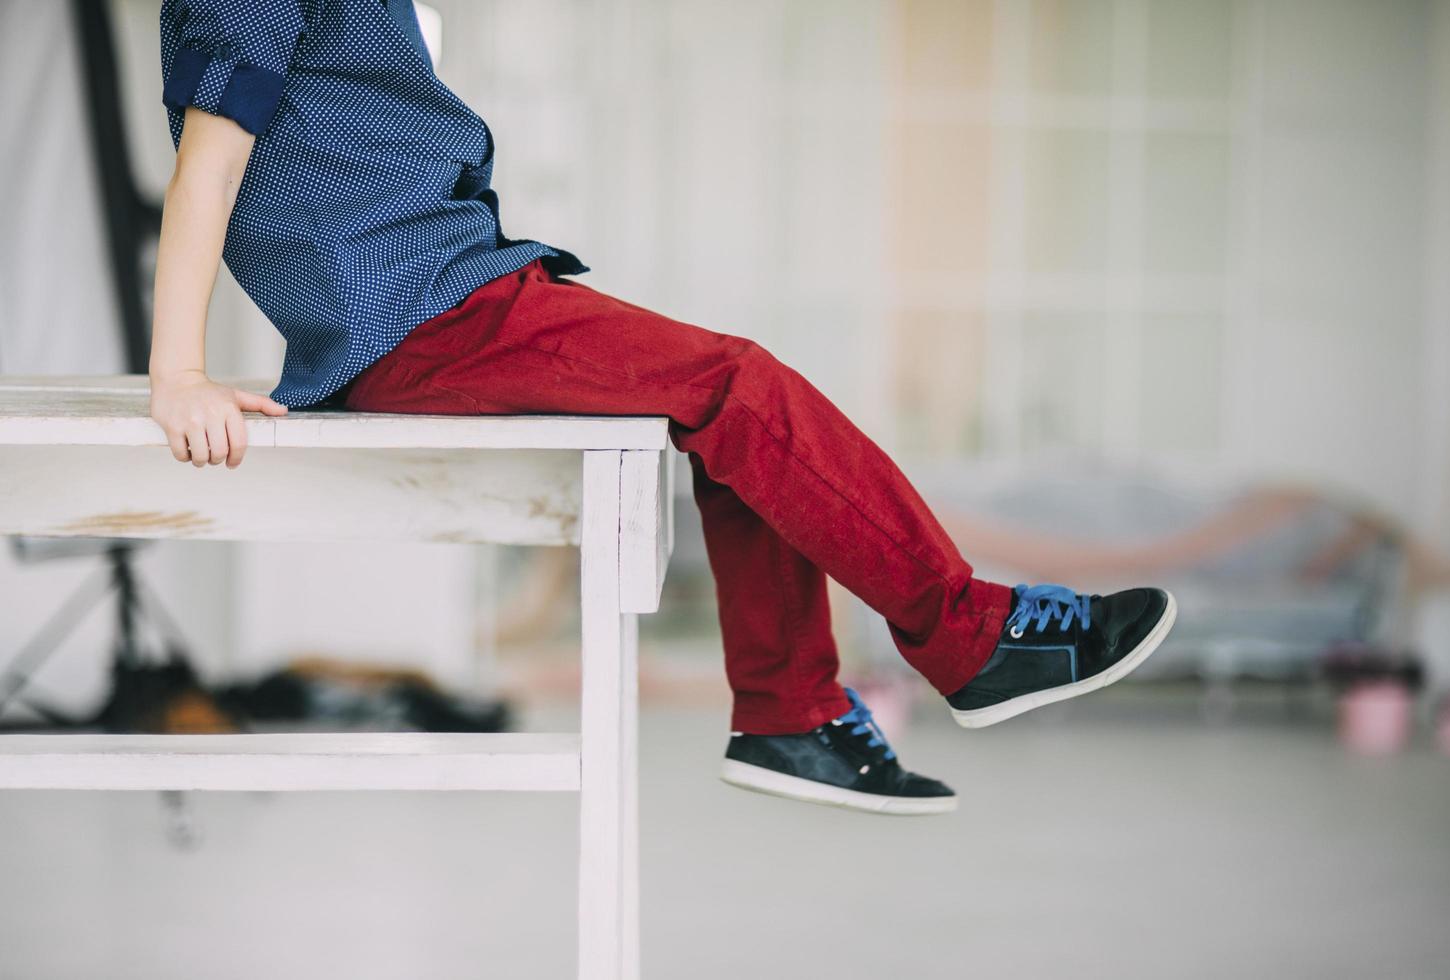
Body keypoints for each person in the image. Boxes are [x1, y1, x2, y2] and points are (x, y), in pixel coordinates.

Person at [148, 0, 1177, 815]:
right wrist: (177, 372)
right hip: (417, 310)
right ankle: (964, 637)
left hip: (448, 291)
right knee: (738, 384)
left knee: (723, 411)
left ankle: (793, 716)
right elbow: (213, 151)